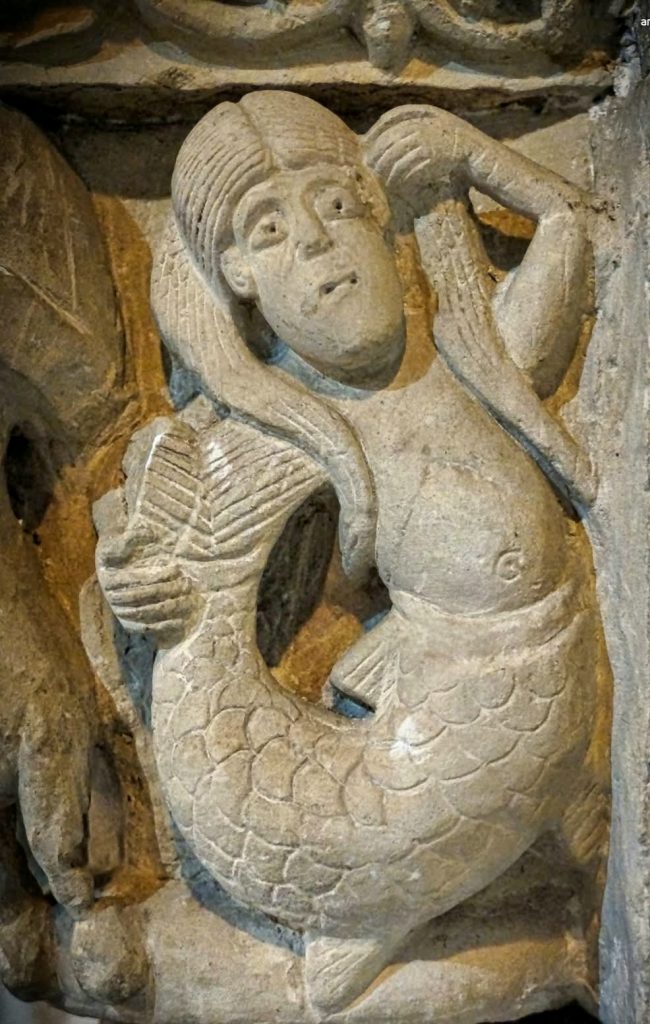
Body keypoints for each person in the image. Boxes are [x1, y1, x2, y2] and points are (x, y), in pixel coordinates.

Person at [97, 91, 606, 1013]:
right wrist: (141, 589)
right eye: (269, 229)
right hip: (405, 785)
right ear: (239, 279)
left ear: (378, 212)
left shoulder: (479, 361)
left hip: (506, 746)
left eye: (334, 203)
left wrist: (476, 157)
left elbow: (568, 223)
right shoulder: (274, 436)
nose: (316, 243)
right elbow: (154, 534)